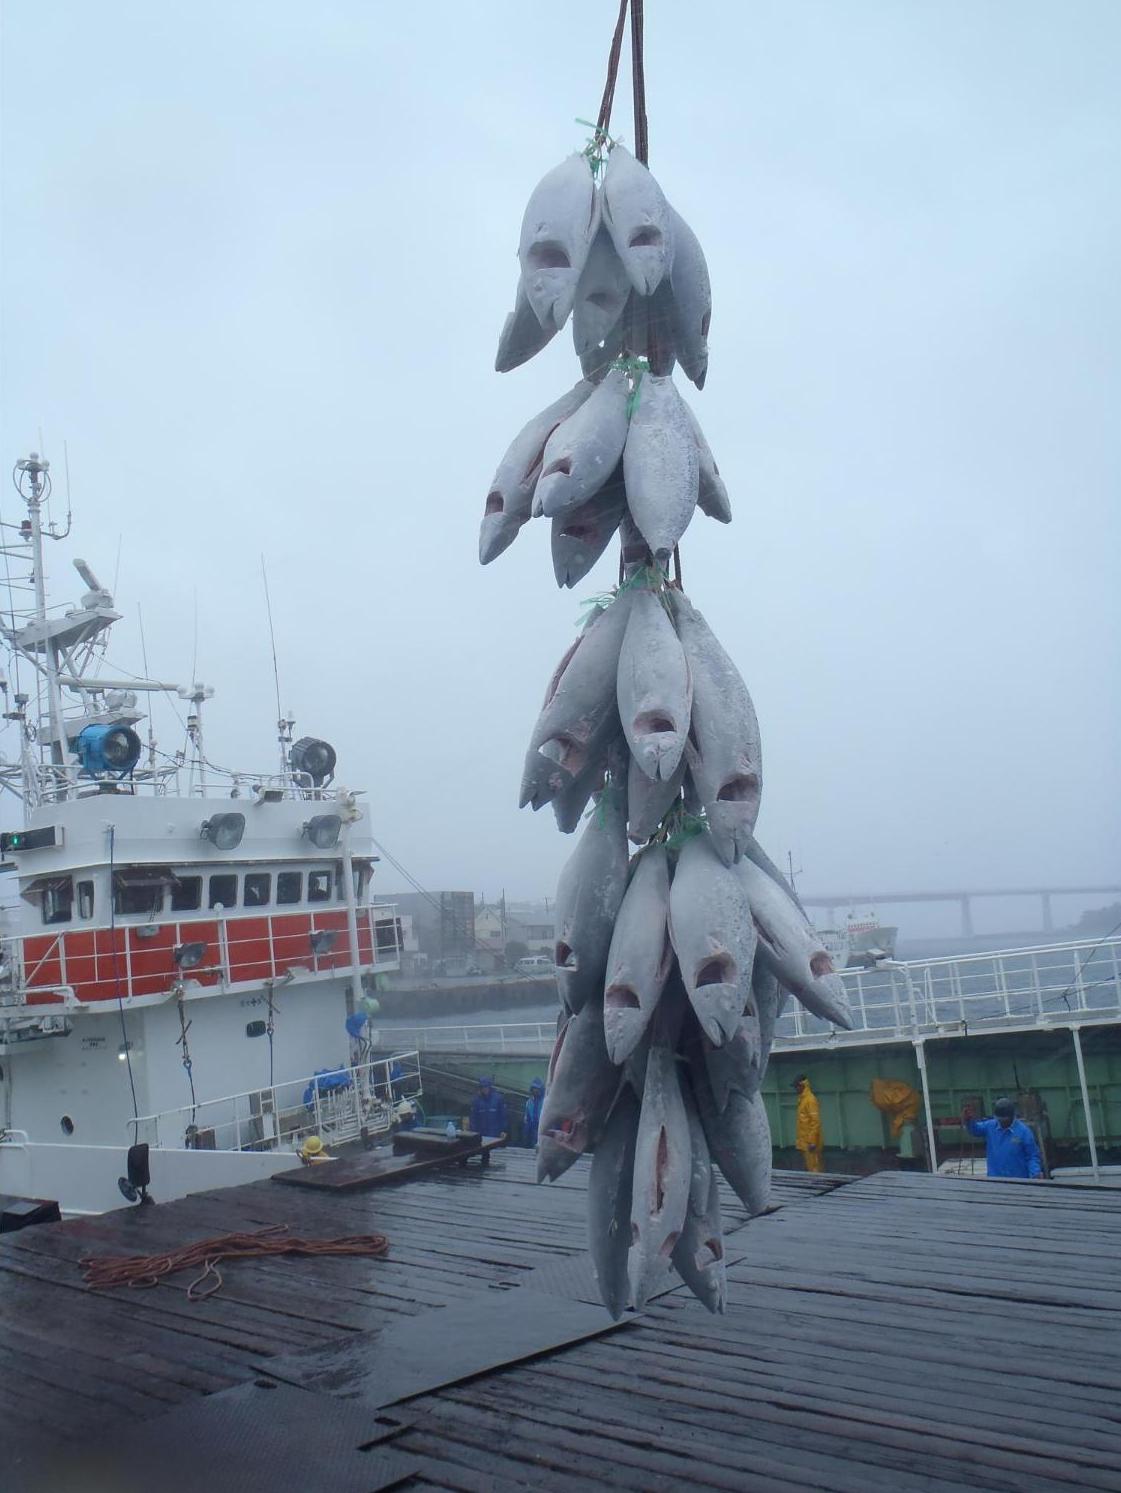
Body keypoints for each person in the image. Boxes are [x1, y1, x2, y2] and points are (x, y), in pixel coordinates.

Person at [962, 1097, 1044, 1180]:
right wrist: (969, 1121)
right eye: (1000, 1120)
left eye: (1005, 1120)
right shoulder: (990, 1126)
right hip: (995, 1180)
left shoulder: (1023, 1132)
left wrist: (1035, 1173)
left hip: (1018, 1180)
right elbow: (975, 1130)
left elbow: (1032, 1156)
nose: (1002, 1123)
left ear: (1012, 1117)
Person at [469, 1076, 508, 1167]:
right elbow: (473, 1118)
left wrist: (504, 1130)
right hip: (482, 1136)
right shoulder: (476, 1101)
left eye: (486, 1087)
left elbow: (503, 1116)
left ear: (490, 1087)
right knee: (483, 1160)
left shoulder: (498, 1099)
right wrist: (473, 1133)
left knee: (497, 1160)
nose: (485, 1089)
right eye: (482, 1087)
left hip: (495, 1135)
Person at [794, 1073, 824, 1173]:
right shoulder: (802, 1100)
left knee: (814, 1167)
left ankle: (817, 1185)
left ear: (802, 1085)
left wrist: (812, 1142)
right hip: (806, 1142)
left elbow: (815, 1122)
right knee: (811, 1166)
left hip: (810, 1143)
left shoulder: (810, 1100)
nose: (795, 1089)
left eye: (796, 1086)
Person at [521, 1077, 545, 1148]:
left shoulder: (545, 1101)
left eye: (537, 1089)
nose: (535, 1090)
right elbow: (526, 1117)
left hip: (541, 1129)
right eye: (534, 1088)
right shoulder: (529, 1101)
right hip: (531, 1129)